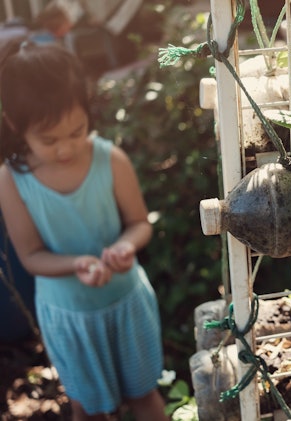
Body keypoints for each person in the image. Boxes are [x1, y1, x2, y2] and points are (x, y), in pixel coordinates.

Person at [0, 42, 168, 421]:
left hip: (126, 302)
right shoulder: (11, 182)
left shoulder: (110, 159)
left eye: (77, 132)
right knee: (88, 410)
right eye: (49, 139)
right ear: (15, 125)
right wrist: (78, 263)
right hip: (69, 316)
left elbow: (139, 223)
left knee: (145, 398)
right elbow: (30, 255)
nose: (66, 148)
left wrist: (124, 247)